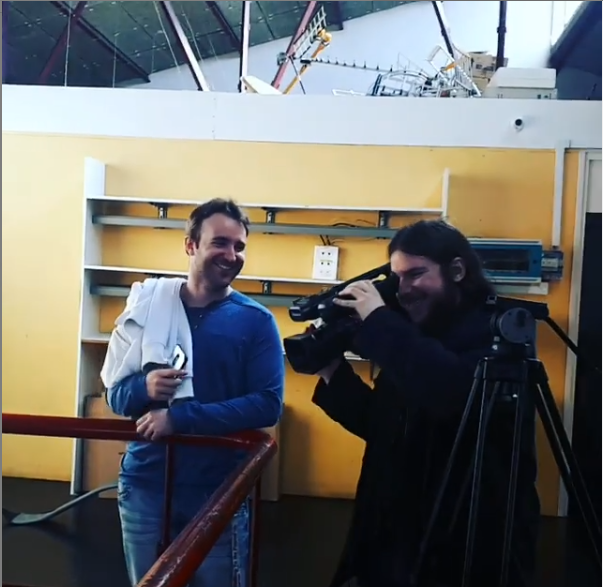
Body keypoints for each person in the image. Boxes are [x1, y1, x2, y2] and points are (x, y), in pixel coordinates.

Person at [312, 220, 541, 587]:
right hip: (393, 533)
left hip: (464, 538)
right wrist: (332, 373)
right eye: (398, 277)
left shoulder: (496, 335)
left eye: (416, 274)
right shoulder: (414, 334)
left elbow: (450, 393)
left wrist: (379, 321)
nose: (404, 290)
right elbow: (386, 426)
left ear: (457, 271)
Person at [103, 198, 285, 587]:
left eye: (239, 246)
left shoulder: (256, 322)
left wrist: (179, 417)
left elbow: (267, 404)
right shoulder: (149, 308)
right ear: (190, 245)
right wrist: (143, 386)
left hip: (217, 489)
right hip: (146, 482)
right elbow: (115, 397)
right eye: (220, 242)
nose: (232, 255)